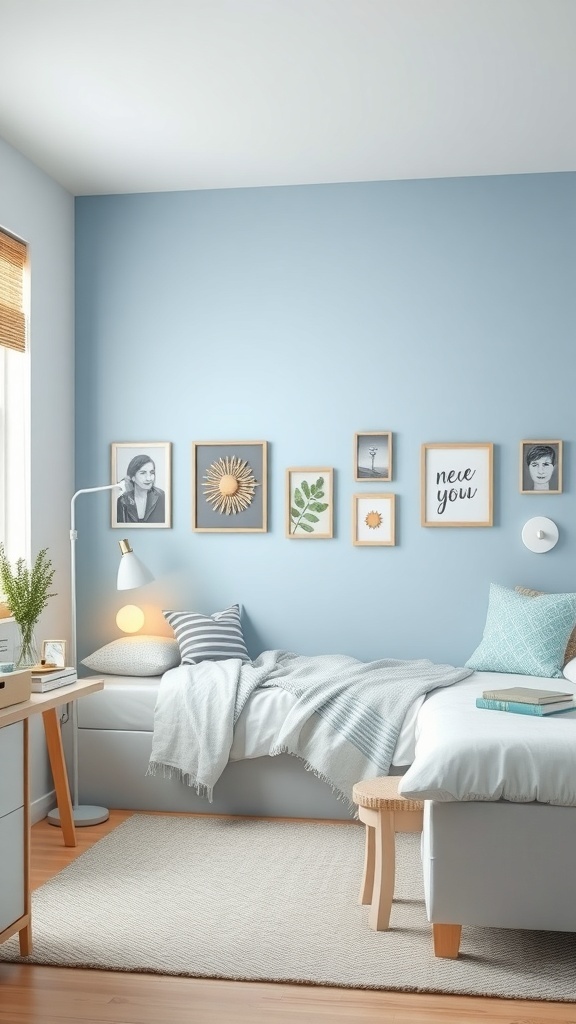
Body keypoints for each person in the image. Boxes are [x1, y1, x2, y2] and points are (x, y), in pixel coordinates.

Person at [117, 454, 166, 523]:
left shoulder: (162, 497)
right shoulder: (123, 501)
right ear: (133, 477)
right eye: (143, 473)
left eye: (152, 473)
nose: (149, 478)